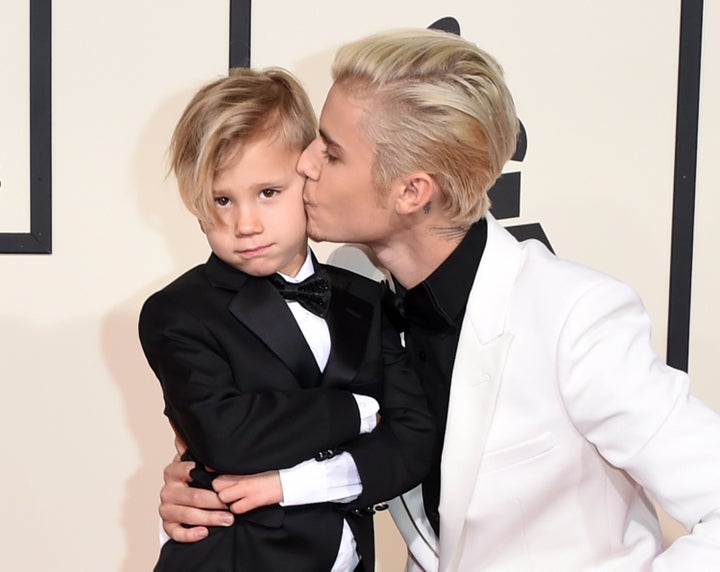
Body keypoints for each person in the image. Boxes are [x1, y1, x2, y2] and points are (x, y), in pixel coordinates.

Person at [157, 28, 720, 571]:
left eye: (330, 153)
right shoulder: (348, 294)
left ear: (410, 191)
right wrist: (199, 491)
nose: (304, 164)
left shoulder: (573, 317)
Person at [139, 66, 433, 571]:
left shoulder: (366, 297)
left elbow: (413, 439)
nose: (245, 224)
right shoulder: (178, 312)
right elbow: (229, 439)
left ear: (309, 175)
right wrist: (358, 412)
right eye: (222, 200)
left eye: (268, 193)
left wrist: (288, 485)